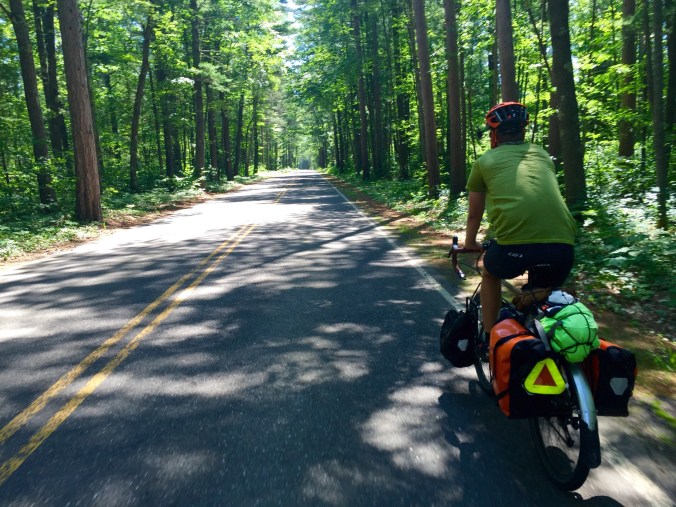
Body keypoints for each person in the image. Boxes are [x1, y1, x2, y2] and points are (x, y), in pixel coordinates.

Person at [462, 102, 577, 335]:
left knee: (490, 272)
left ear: (494, 134)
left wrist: (470, 242)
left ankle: (490, 336)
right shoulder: (542, 155)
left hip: (514, 247)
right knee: (544, 289)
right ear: (522, 131)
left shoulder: (484, 162)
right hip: (563, 245)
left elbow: (475, 213)